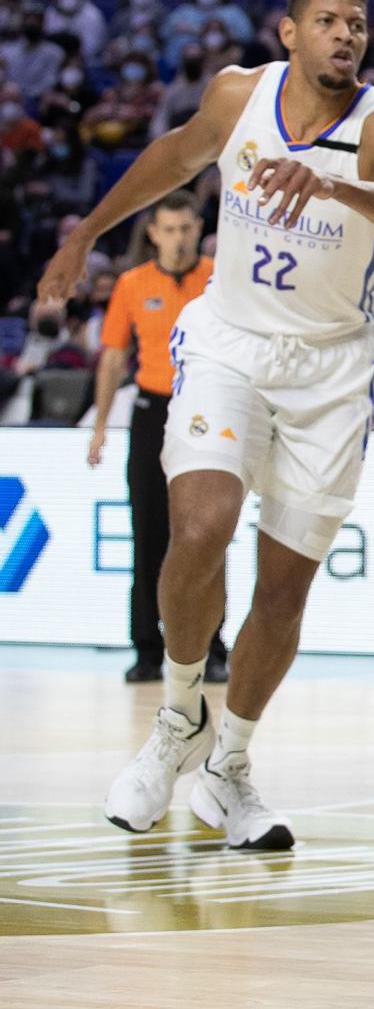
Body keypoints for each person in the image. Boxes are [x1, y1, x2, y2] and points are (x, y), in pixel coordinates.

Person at [38, 0, 374, 850]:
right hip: (230, 343)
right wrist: (85, 232)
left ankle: (230, 768)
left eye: (358, 23)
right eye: (329, 21)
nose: (347, 34)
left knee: (284, 586)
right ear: (288, 33)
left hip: (333, 369)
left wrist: (340, 187)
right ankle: (178, 715)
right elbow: (172, 157)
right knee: (201, 523)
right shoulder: (238, 97)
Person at [86, 194, 230, 685]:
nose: (178, 238)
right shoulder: (132, 283)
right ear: (153, 233)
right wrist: (102, 425)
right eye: (169, 230)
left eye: (186, 228)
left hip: (209, 407)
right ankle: (147, 649)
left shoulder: (219, 275)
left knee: (207, 534)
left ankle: (212, 647)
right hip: (152, 409)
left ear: (198, 228)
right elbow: (111, 357)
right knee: (148, 533)